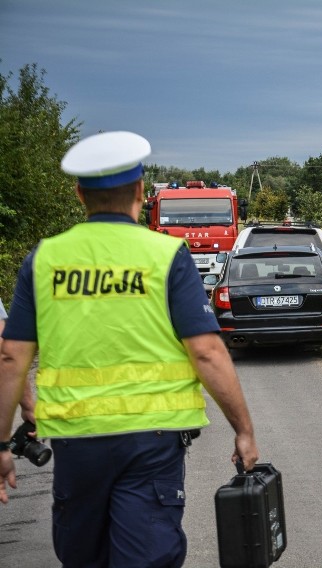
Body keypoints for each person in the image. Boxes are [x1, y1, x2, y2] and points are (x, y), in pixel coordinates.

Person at [0, 131, 259, 567]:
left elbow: (10, 358)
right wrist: (244, 429)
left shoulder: (44, 259)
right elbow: (208, 352)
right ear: (141, 192)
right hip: (152, 443)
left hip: (77, 443)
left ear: (81, 194)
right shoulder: (166, 255)